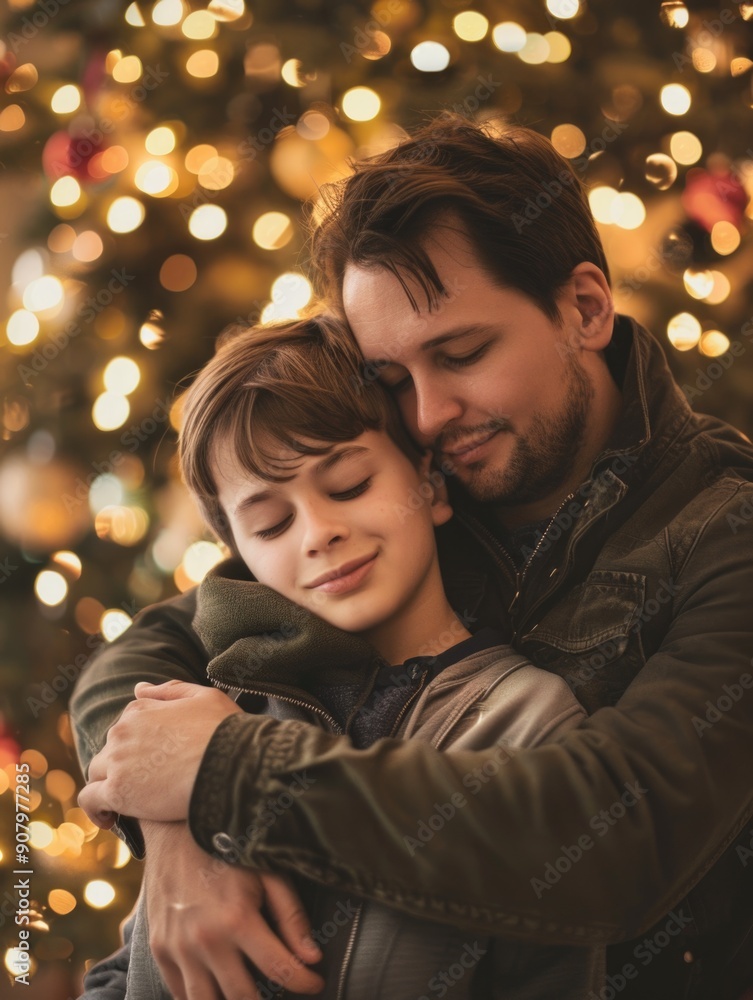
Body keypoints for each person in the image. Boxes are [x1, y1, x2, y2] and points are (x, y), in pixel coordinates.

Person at [71, 113, 753, 1000]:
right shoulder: (425, 476)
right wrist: (176, 831)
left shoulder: (724, 532)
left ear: (584, 308)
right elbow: (158, 646)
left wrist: (228, 777)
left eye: (462, 353)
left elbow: (612, 835)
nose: (427, 415)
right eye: (392, 378)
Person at [78, 315, 601, 999]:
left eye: (349, 484)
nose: (319, 533)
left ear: (432, 485)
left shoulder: (529, 722)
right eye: (270, 524)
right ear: (240, 552)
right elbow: (127, 974)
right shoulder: (216, 709)